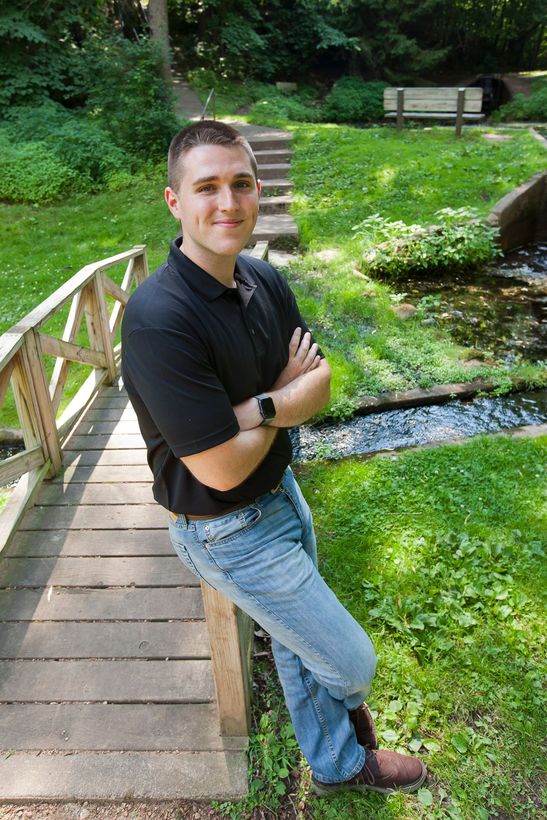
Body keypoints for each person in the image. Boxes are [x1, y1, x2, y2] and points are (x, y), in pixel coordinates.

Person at [121, 120, 427, 796]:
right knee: (348, 663)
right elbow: (220, 470)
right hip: (225, 531)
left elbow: (317, 386)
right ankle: (352, 731)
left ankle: (338, 765)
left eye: (240, 184)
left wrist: (255, 411)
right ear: (175, 201)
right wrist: (278, 398)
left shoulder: (260, 277)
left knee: (296, 643)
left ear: (257, 190)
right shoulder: (158, 318)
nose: (227, 203)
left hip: (280, 489)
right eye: (206, 187)